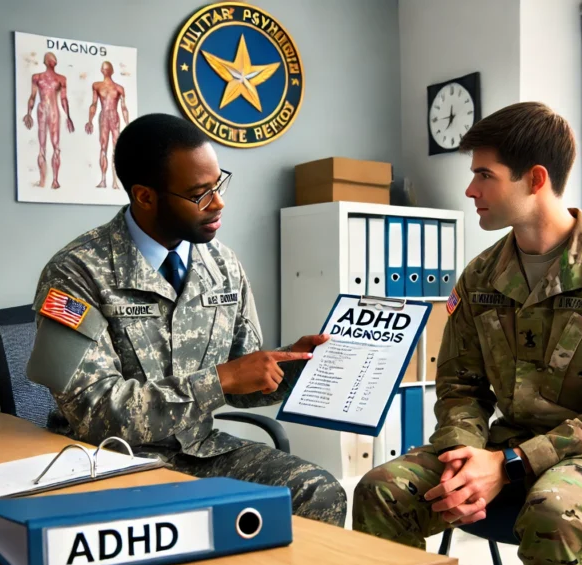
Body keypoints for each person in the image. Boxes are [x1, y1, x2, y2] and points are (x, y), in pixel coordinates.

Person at [352, 102, 582, 565]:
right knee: (381, 489)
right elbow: (461, 386)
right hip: (504, 446)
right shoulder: (481, 276)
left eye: (485, 175)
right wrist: (463, 457)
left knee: (556, 512)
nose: (470, 190)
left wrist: (509, 464)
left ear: (535, 178)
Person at [26, 113, 346, 526]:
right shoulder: (76, 272)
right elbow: (94, 413)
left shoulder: (222, 264)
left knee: (316, 492)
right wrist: (220, 379)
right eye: (199, 193)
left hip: (198, 451)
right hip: (107, 461)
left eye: (218, 184)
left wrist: (295, 366)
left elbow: (243, 382)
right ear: (145, 196)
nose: (218, 202)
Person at [22, 52, 74, 189]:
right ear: (45, 62)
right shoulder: (37, 77)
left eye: (54, 59)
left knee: (56, 146)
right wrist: (28, 113)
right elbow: (32, 96)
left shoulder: (61, 79)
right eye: (49, 59)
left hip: (54, 111)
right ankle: (43, 180)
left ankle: (55, 180)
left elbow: (63, 99)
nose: (52, 61)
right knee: (42, 147)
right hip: (42, 110)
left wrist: (68, 117)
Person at [85, 61, 129, 190]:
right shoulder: (97, 86)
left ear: (110, 71)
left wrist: (127, 124)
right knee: (103, 148)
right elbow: (94, 104)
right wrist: (90, 120)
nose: (104, 71)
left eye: (106, 69)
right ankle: (104, 179)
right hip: (104, 116)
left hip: (114, 117)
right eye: (104, 69)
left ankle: (115, 181)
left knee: (116, 149)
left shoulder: (119, 88)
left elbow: (124, 107)